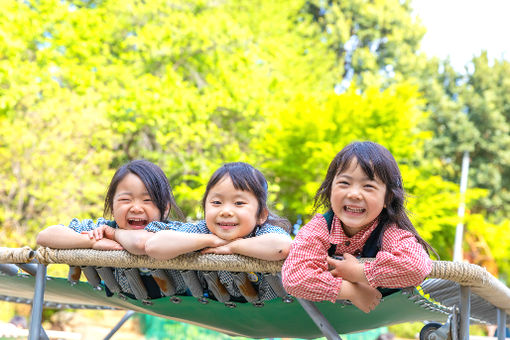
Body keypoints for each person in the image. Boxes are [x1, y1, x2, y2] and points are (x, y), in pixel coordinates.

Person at [281, 141, 435, 313]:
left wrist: (360, 272)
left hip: (380, 309)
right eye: (344, 183)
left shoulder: (389, 230)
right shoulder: (320, 228)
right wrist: (351, 291)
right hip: (327, 311)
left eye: (368, 186)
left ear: (387, 198)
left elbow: (417, 266)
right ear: (330, 189)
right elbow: (295, 278)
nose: (354, 194)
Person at [143, 162, 292, 301]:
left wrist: (232, 247)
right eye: (216, 203)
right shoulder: (202, 231)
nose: (225, 211)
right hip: (221, 307)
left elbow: (282, 246)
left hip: (271, 309)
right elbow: (153, 246)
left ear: (261, 215)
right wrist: (211, 240)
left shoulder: (263, 232)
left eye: (239, 203)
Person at [36, 159, 184, 297]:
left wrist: (114, 235)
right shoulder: (103, 230)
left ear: (165, 209)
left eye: (147, 200)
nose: (136, 208)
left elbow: (141, 242)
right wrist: (91, 241)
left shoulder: (173, 232)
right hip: (127, 298)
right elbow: (45, 236)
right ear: (112, 208)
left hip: (183, 302)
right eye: (125, 200)